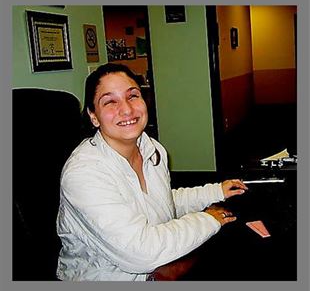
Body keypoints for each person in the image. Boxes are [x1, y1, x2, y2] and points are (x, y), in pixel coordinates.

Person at [56, 63, 248, 281]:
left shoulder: (152, 148)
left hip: (159, 266)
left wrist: (214, 192)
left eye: (133, 96)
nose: (127, 109)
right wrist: (209, 220)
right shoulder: (84, 174)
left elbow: (160, 203)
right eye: (110, 101)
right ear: (93, 116)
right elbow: (141, 252)